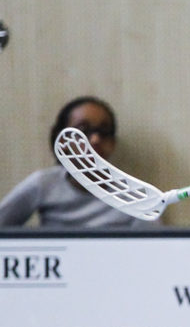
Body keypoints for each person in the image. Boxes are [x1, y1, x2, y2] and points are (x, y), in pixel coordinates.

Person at [0, 97, 143, 229]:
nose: (95, 140)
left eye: (104, 131)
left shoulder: (132, 193)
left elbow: (150, 242)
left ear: (113, 143)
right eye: (83, 131)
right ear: (62, 140)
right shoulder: (44, 183)